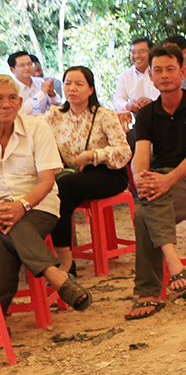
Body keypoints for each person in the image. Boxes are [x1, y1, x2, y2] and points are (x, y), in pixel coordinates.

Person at [124, 44, 186, 321]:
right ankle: (174, 267)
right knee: (146, 207)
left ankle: (149, 291)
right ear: (151, 76)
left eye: (170, 69)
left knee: (146, 209)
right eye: (158, 70)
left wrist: (166, 181)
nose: (164, 75)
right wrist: (142, 180)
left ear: (182, 72)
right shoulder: (146, 114)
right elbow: (141, 156)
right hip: (161, 179)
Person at [0, 75, 92, 314]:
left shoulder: (37, 128)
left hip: (38, 206)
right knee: (5, 237)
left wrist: (21, 205)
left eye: (12, 98)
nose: (6, 104)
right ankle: (56, 274)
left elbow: (47, 181)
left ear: (21, 103)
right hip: (1, 210)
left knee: (10, 228)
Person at [45, 66, 131, 277]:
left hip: (108, 173)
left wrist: (93, 155)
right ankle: (62, 260)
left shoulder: (104, 115)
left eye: (79, 84)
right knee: (54, 196)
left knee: (61, 189)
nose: (72, 88)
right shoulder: (55, 116)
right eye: (67, 83)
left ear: (91, 89)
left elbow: (124, 151)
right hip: (74, 175)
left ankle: (65, 264)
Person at [113, 38, 159, 114]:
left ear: (151, 52)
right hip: (139, 119)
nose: (136, 56)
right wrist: (128, 106)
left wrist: (152, 102)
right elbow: (117, 101)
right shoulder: (126, 76)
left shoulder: (160, 71)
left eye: (141, 51)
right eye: (133, 52)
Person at [7, 52, 59, 117]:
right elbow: (21, 111)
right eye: (22, 65)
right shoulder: (9, 87)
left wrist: (52, 94)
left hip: (45, 121)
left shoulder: (41, 82)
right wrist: (42, 92)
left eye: (30, 64)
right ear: (12, 69)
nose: (27, 68)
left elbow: (57, 106)